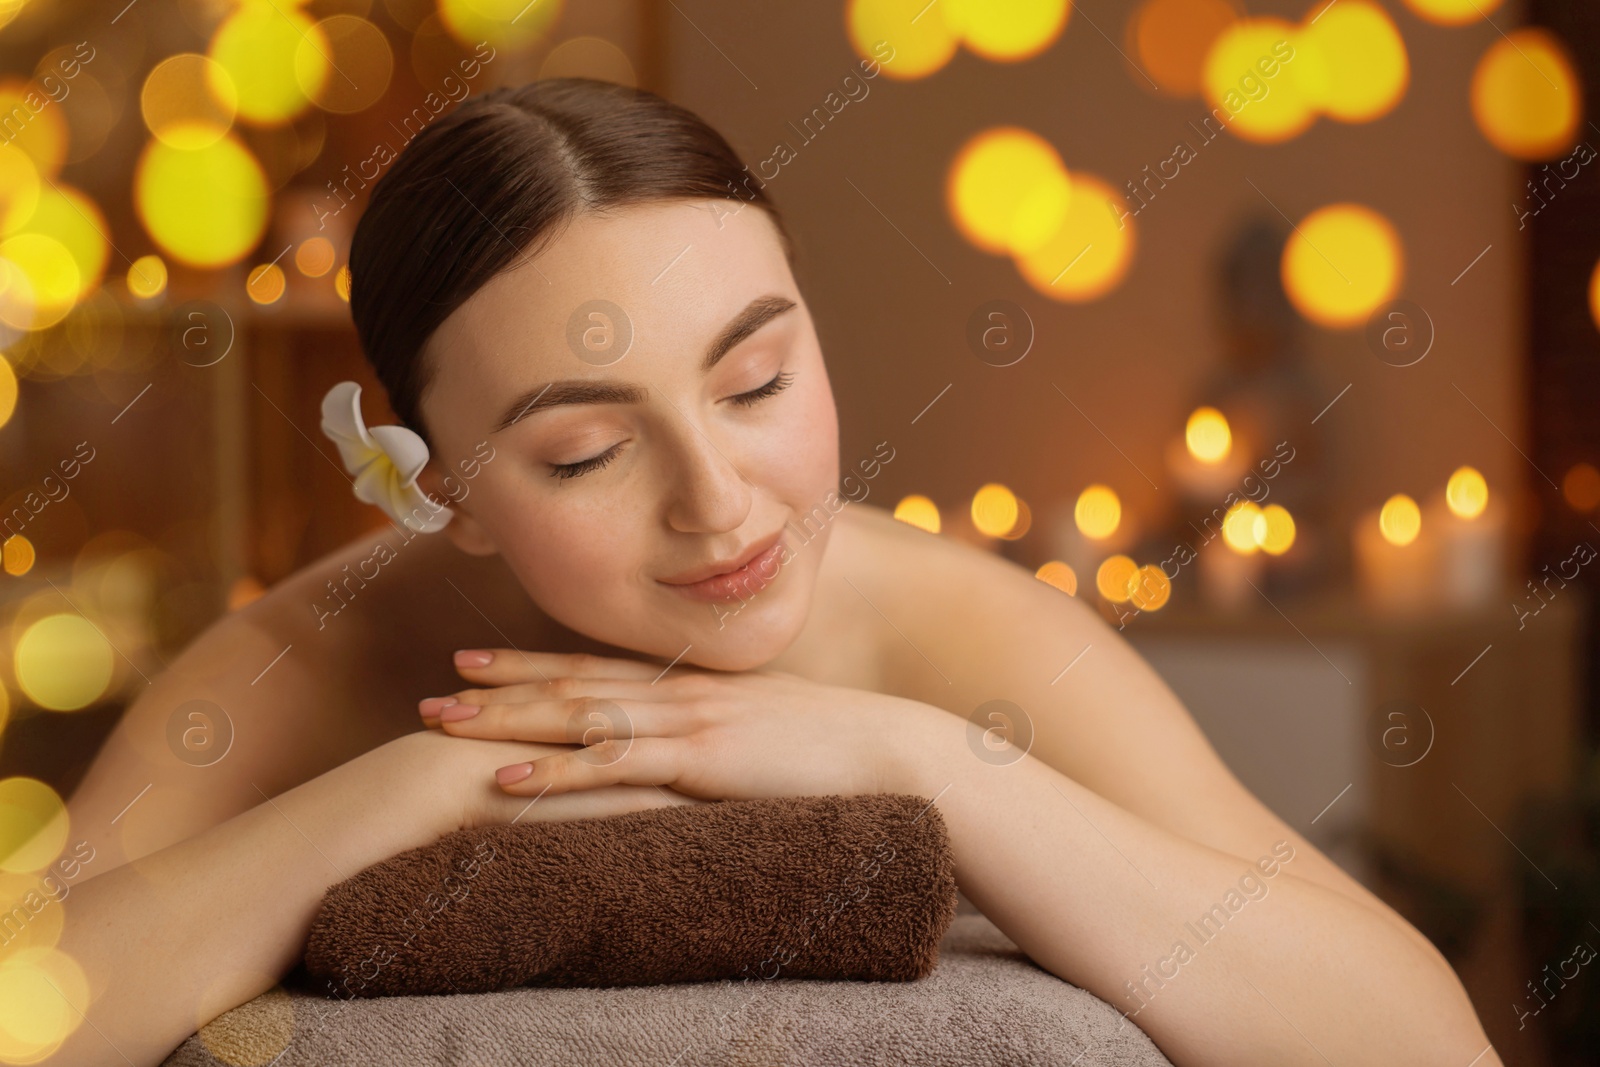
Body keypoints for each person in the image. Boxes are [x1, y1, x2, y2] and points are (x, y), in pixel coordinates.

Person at [53, 78, 1495, 1066]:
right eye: (579, 456)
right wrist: (419, 789)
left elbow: (1417, 1040)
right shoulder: (310, 662)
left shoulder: (958, 633)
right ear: (450, 495)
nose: (720, 501)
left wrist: (923, 762)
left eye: (755, 380)